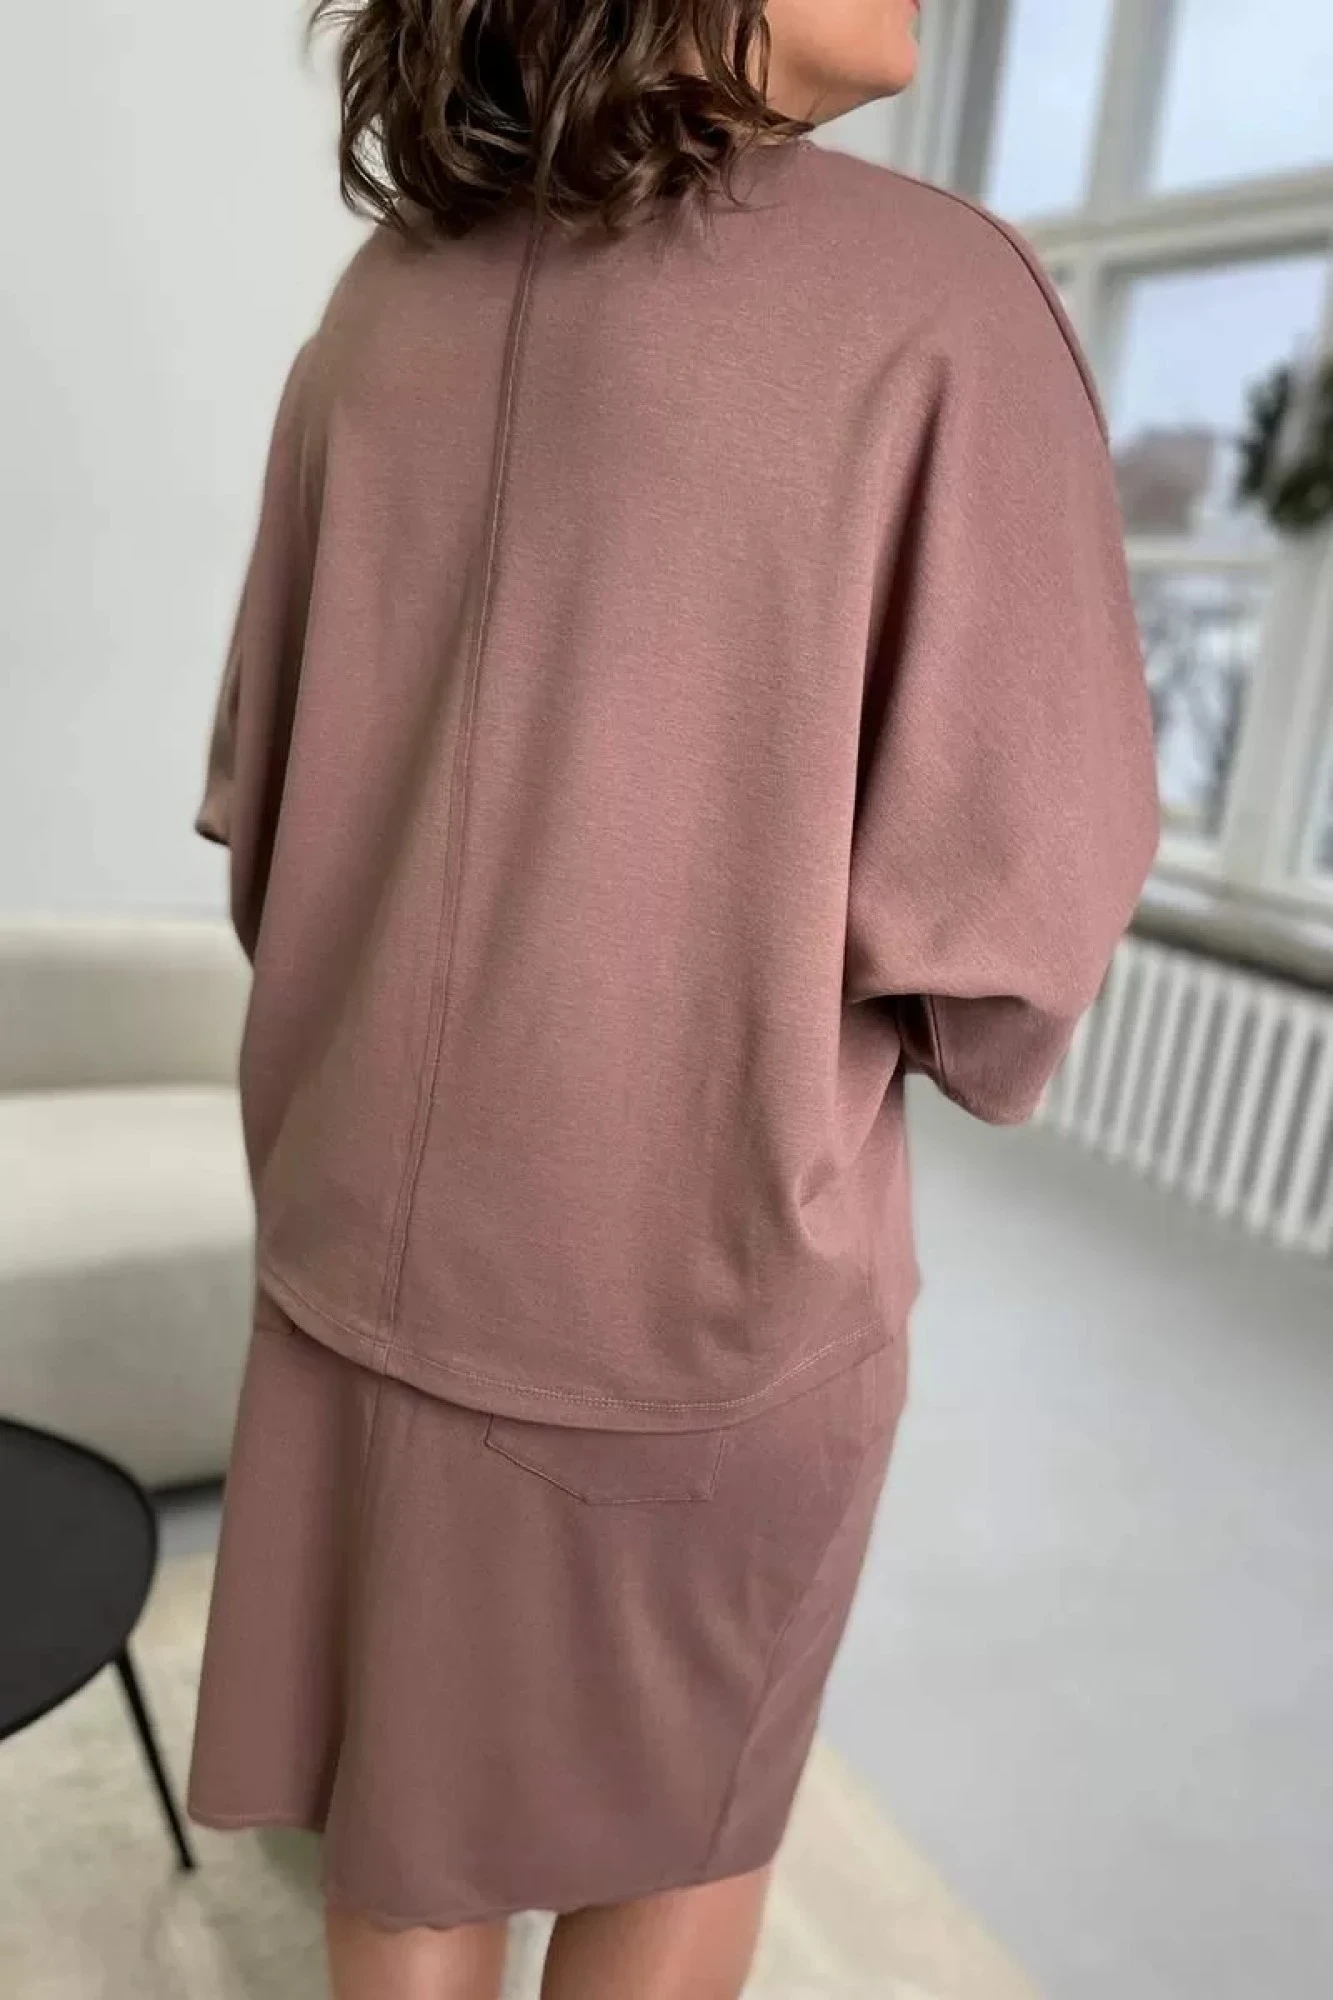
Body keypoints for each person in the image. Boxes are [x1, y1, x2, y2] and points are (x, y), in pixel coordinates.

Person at [185, 1, 1161, 1995]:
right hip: (696, 1304)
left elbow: (266, 824)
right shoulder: (936, 301)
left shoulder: (382, 308)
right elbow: (1013, 926)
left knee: (408, 1832)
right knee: (678, 1836)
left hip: (356, 1259)